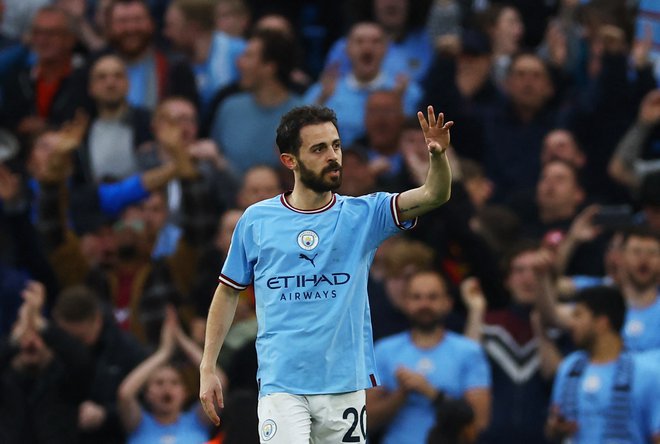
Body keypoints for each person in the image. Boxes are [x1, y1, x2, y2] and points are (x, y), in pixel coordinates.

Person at [199, 104, 453, 443]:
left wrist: (438, 157)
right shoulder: (257, 220)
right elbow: (228, 291)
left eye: (335, 145)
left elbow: (434, 195)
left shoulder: (364, 214)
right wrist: (207, 366)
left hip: (344, 386)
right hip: (282, 384)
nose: (333, 156)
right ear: (290, 160)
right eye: (319, 149)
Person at [367, 270, 491, 444]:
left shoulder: (469, 352)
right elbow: (366, 420)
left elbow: (479, 422)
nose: (424, 304)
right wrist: (401, 393)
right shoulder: (383, 350)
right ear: (406, 303)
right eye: (416, 297)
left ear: (448, 303)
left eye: (432, 297)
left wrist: (431, 392)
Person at [546, 286, 660, 444]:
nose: (571, 324)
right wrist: (556, 428)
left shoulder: (646, 374)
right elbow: (553, 429)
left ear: (601, 322)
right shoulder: (570, 367)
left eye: (578, 315)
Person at [118, 307, 214, 443]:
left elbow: (218, 381)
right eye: (159, 383)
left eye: (175, 382)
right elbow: (125, 394)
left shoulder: (198, 420)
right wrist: (164, 352)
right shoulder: (138, 424)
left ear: (184, 392)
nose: (167, 388)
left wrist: (181, 338)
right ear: (147, 393)